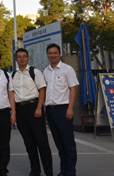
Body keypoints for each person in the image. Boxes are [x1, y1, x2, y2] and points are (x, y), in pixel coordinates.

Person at [12, 48, 53, 176]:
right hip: (20, 109)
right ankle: (35, 170)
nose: (22, 58)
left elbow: (42, 90)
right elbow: (11, 94)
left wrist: (39, 108)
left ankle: (48, 172)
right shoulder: (13, 75)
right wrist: (14, 113)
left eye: (24, 56)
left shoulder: (35, 72)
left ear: (28, 58)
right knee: (29, 143)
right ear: (16, 59)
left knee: (42, 143)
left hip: (34, 107)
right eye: (19, 56)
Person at [43, 44, 79, 176]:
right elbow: (45, 91)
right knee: (59, 144)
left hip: (63, 110)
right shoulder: (45, 71)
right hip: (50, 111)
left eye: (55, 53)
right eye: (50, 53)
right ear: (47, 55)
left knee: (68, 144)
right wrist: (46, 110)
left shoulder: (67, 69)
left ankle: (70, 172)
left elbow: (73, 88)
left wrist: (70, 108)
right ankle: (63, 170)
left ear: (59, 54)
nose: (52, 55)